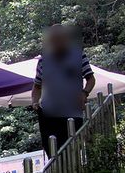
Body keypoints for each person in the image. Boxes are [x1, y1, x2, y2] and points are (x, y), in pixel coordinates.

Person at [31, 25, 96, 157]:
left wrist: (84, 93)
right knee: (53, 153)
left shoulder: (78, 55)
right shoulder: (43, 61)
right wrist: (34, 102)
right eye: (53, 40)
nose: (57, 42)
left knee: (72, 151)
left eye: (59, 39)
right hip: (49, 114)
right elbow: (37, 86)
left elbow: (91, 79)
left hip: (72, 113)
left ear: (66, 39)